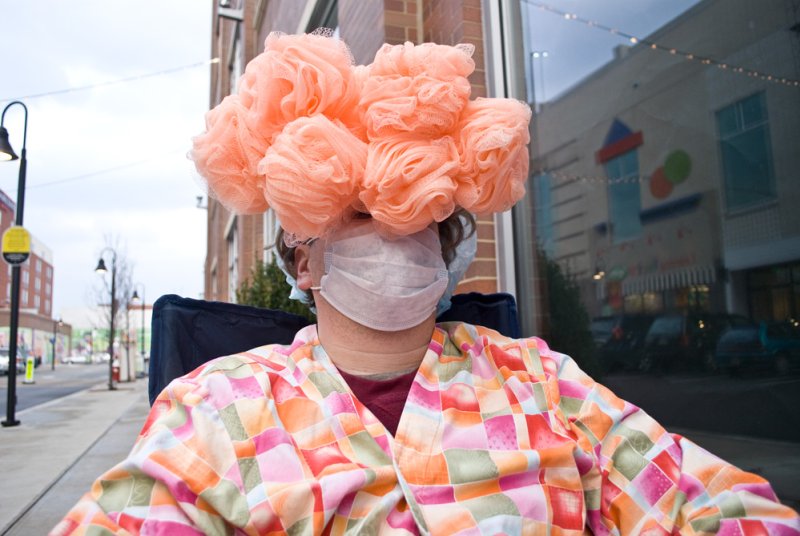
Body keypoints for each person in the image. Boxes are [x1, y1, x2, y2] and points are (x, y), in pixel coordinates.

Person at [54, 31, 799, 535]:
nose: (395, 237)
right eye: (358, 212)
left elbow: (716, 505)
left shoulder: (540, 381)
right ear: (300, 257)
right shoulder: (215, 408)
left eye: (418, 214)